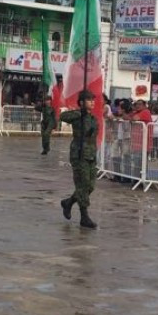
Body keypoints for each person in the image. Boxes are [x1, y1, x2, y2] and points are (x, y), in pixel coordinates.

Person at [59, 91, 99, 228]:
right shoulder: (78, 115)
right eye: (89, 100)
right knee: (82, 185)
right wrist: (79, 113)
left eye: (93, 99)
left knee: (90, 186)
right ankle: (84, 217)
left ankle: (69, 202)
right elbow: (63, 116)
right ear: (81, 102)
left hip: (91, 155)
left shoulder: (93, 118)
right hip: (79, 154)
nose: (92, 102)